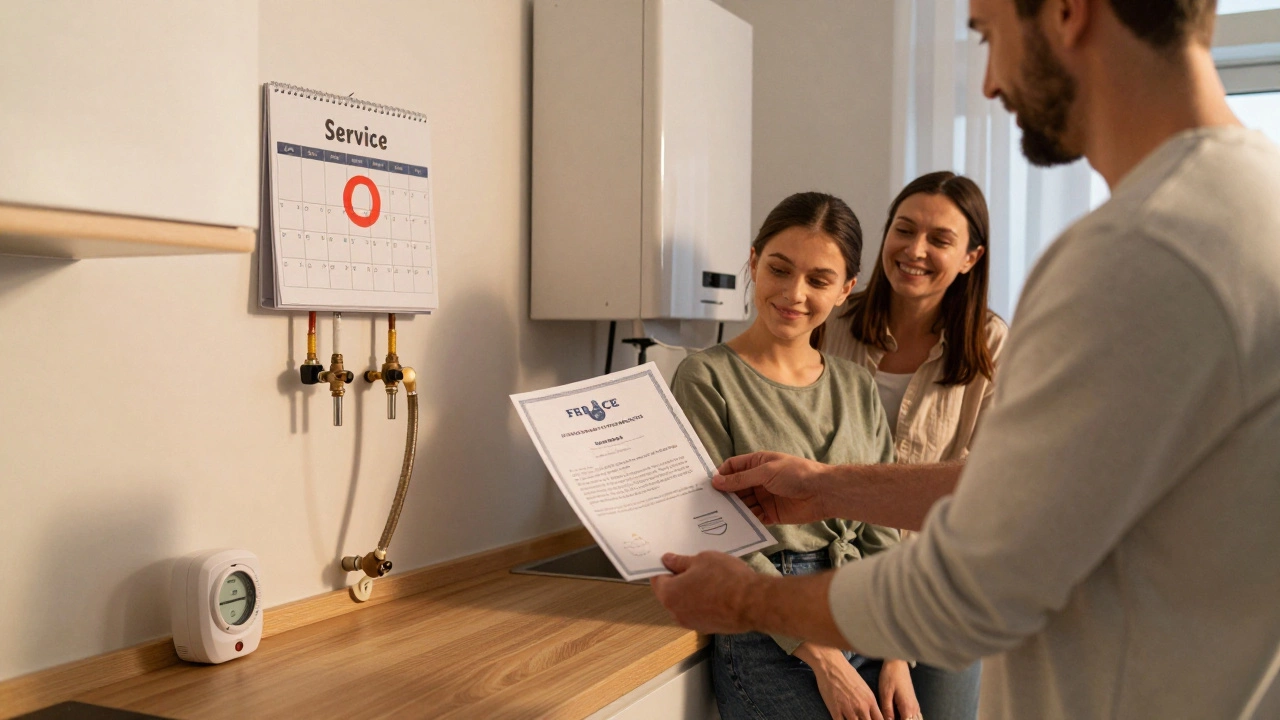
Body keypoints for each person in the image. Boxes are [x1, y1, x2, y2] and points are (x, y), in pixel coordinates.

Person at [651, 1, 1280, 718]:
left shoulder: (1142, 253)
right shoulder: (1250, 204)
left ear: (1069, 13)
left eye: (987, 34)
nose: (987, 83)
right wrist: (828, 487)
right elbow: (1030, 488)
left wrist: (746, 597)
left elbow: (978, 579)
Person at [670, 191, 920, 720]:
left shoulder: (855, 384)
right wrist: (827, 662)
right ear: (754, 262)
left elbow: (882, 531)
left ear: (846, 290)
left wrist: (896, 653)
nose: (794, 293)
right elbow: (724, 533)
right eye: (779, 269)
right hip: (771, 623)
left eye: (819, 280)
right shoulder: (707, 377)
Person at [822, 170, 1006, 720]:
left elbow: (985, 485)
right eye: (903, 229)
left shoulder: (993, 346)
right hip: (837, 576)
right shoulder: (832, 325)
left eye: (940, 240)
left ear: (971, 257)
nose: (914, 250)